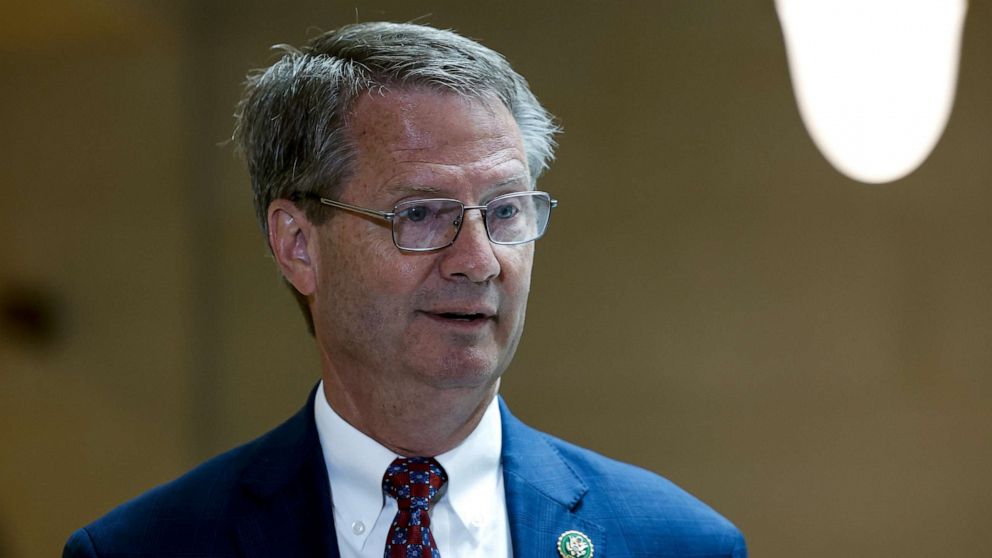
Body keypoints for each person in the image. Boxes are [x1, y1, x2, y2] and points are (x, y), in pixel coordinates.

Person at [64, 22, 746, 558]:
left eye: (506, 211)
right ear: (299, 246)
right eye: (421, 214)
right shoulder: (148, 547)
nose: (479, 261)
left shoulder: (676, 542)